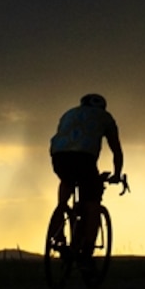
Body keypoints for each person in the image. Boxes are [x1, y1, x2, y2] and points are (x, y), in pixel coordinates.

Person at [49, 92, 124, 234]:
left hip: (59, 155)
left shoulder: (69, 113)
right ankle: (87, 247)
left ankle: (59, 220)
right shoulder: (105, 117)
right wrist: (117, 174)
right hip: (85, 158)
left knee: (67, 181)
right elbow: (116, 151)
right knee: (92, 200)